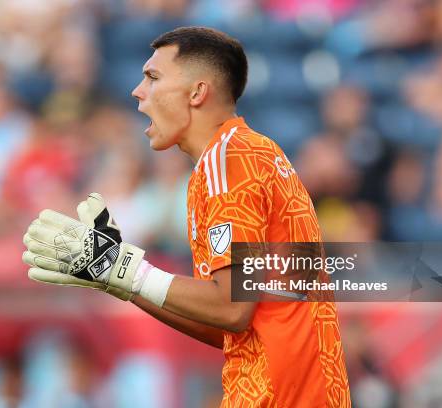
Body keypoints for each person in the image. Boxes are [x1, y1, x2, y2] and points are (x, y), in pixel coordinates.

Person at [22, 27, 351, 407]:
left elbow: (230, 308)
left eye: (153, 77)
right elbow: (227, 323)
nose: (138, 91)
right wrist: (118, 280)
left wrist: (124, 268)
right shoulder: (242, 155)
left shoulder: (228, 162)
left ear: (197, 92)